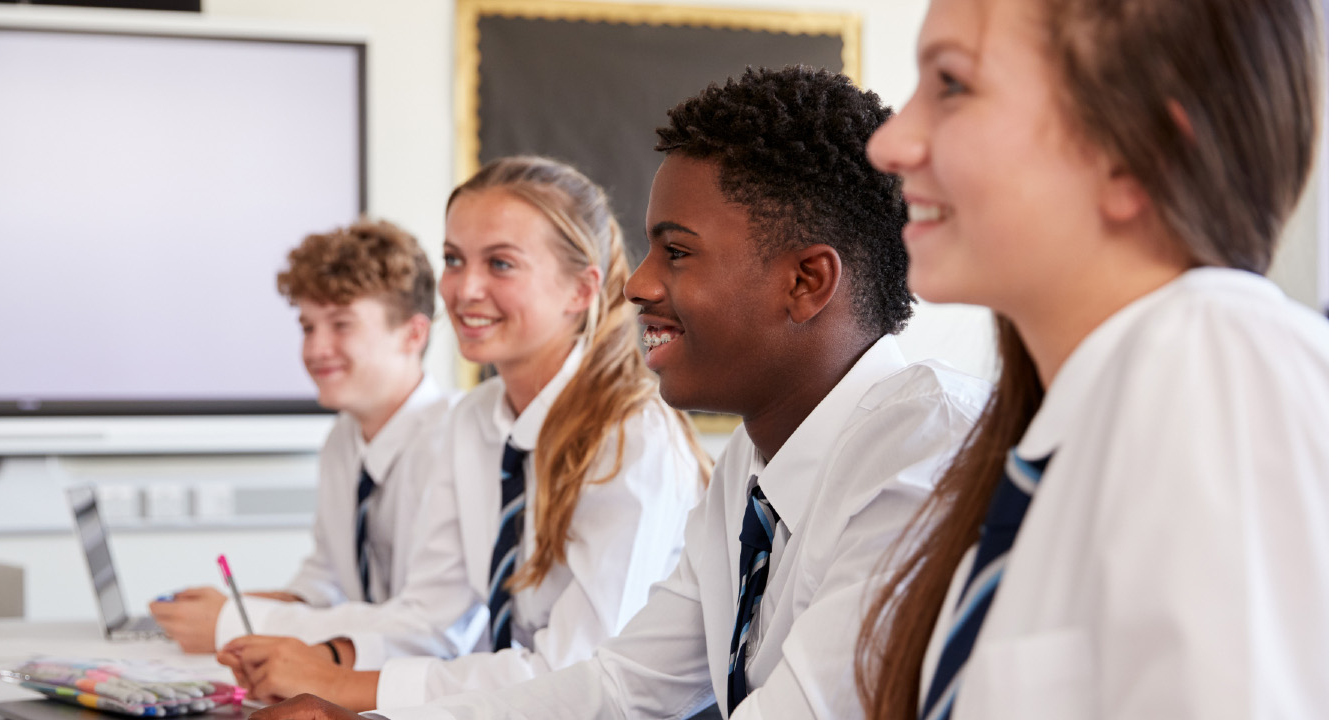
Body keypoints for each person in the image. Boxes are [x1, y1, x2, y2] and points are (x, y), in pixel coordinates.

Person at [244, 65, 989, 720]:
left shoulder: (922, 458)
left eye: (677, 252)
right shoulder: (754, 469)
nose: (638, 284)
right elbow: (622, 687)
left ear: (806, 282)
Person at [850, 0, 1329, 718]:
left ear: (1141, 152)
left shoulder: (1215, 358)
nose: (888, 143)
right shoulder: (1058, 444)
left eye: (951, 84)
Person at [217, 156, 713, 711]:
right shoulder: (474, 420)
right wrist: (321, 660)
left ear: (580, 290)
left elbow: (578, 672)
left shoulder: (631, 440)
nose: (464, 289)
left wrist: (341, 685)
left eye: (500, 264)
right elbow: (432, 620)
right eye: (454, 259)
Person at [147, 219, 479, 660]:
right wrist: (241, 609)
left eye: (341, 325)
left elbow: (427, 629)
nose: (315, 349)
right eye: (307, 327)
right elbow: (328, 585)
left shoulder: (457, 443)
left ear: (413, 334)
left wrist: (236, 625)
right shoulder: (344, 439)